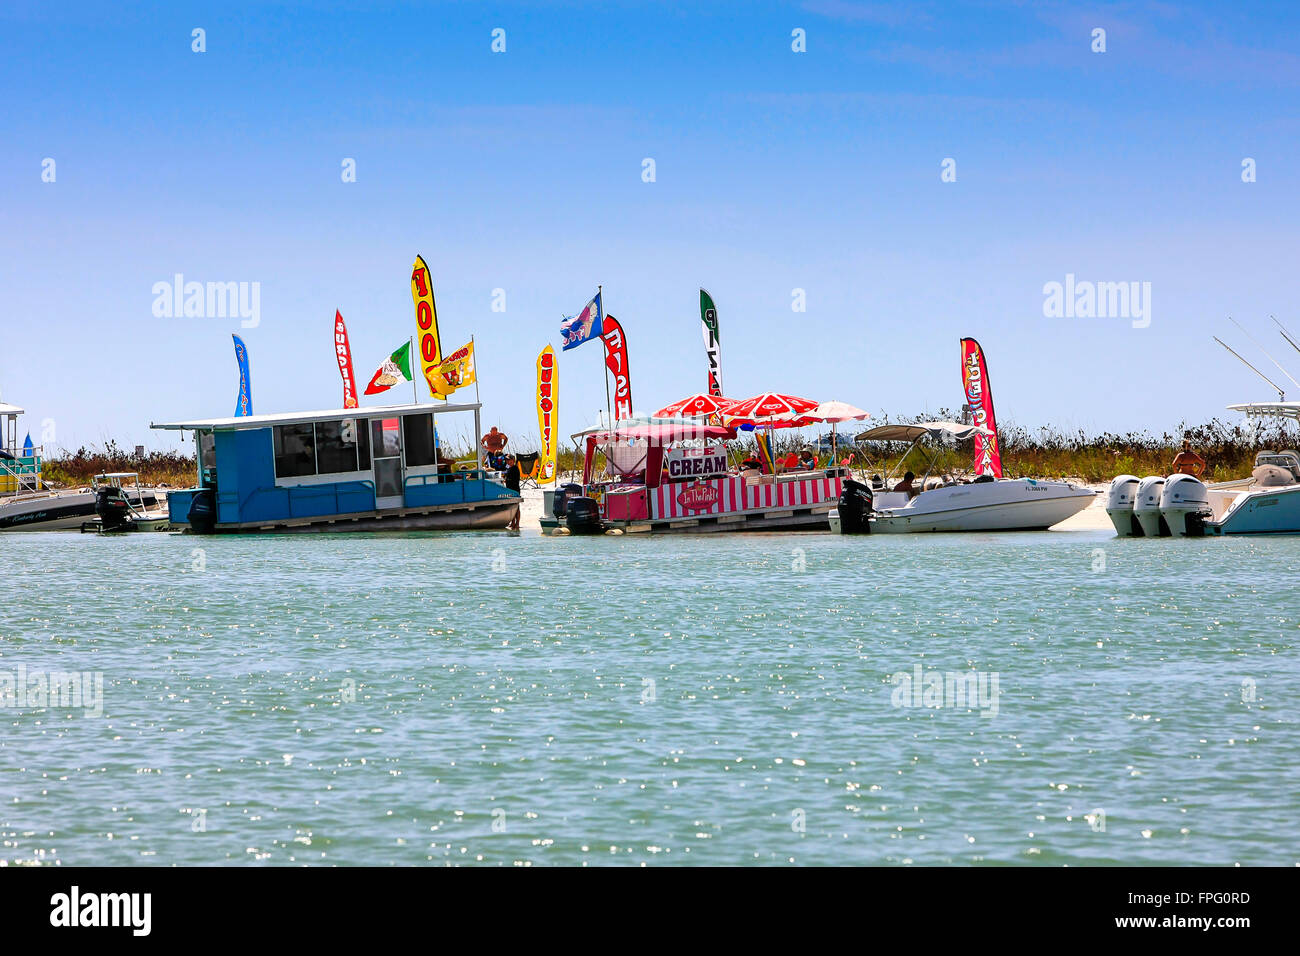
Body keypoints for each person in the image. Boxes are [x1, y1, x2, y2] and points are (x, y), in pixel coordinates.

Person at [503, 455, 521, 529]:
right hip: (509, 489)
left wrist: (506, 480)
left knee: (516, 507)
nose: (508, 461)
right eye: (507, 460)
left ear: (513, 460)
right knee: (511, 507)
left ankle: (517, 523)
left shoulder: (515, 468)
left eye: (509, 460)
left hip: (515, 490)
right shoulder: (509, 469)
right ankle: (513, 522)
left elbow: (515, 480)